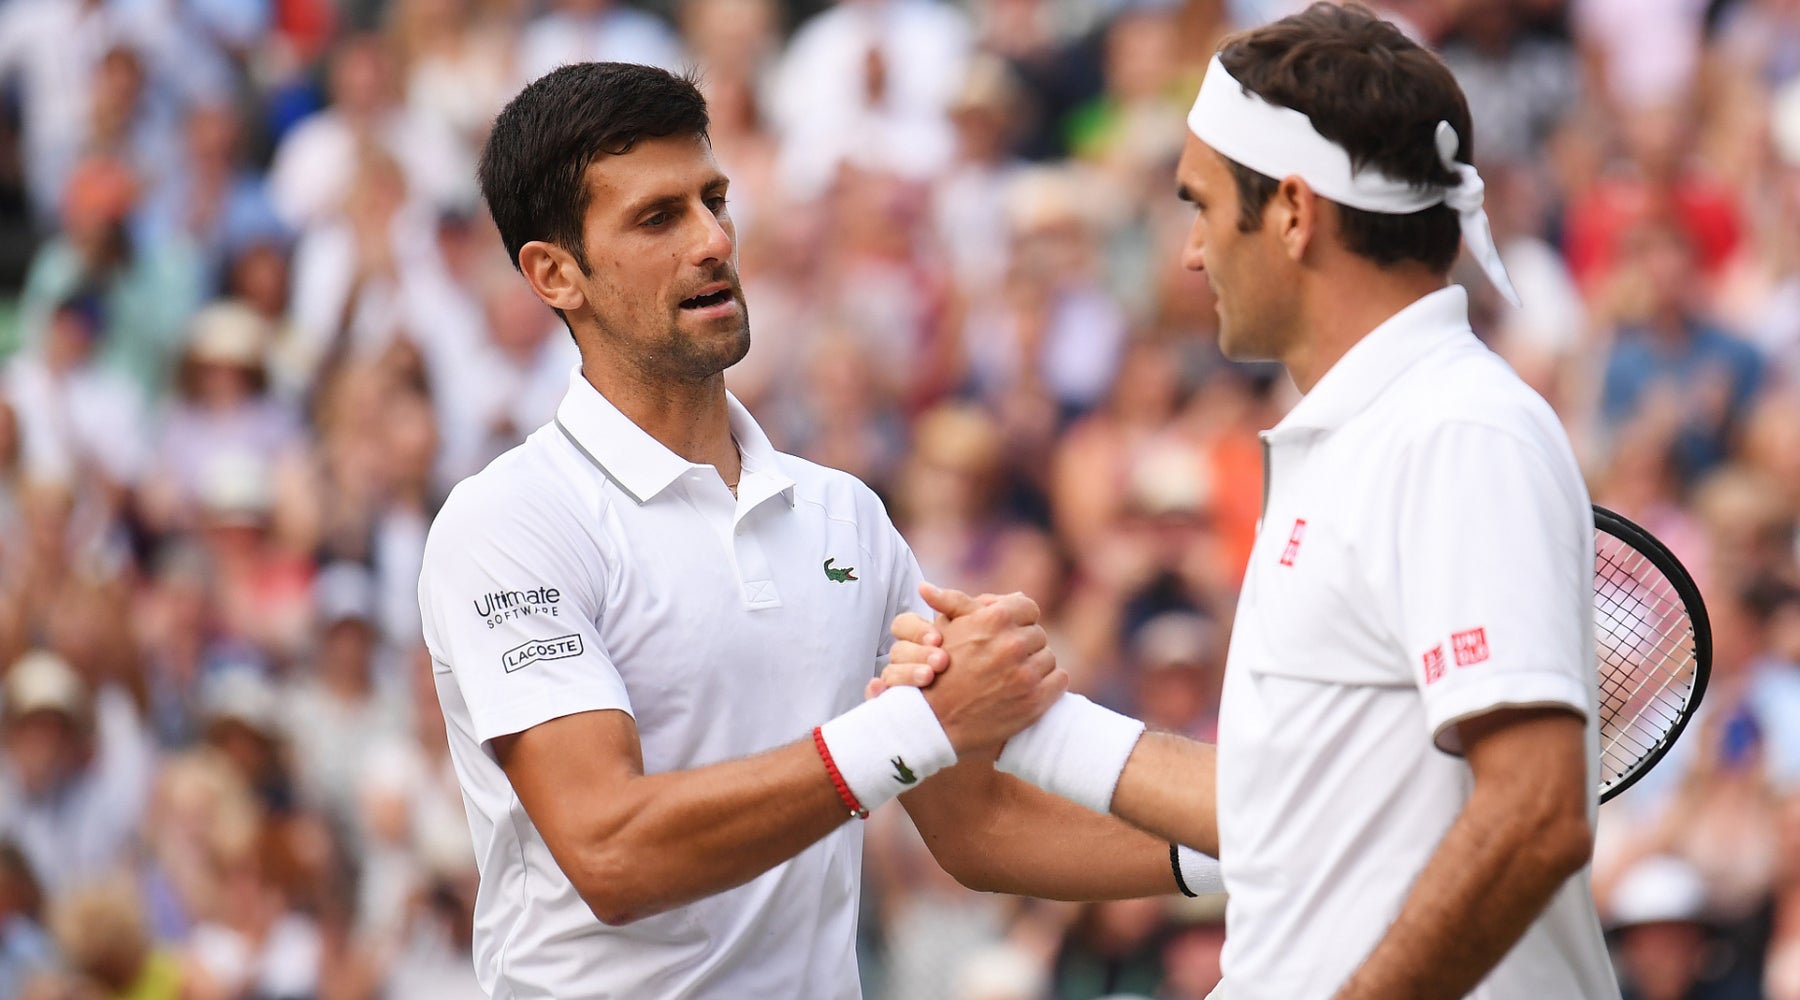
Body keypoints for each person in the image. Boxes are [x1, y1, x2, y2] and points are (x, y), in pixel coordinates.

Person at [884, 5, 1619, 997]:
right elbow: (1281, 811)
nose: (1188, 253)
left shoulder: (1454, 429)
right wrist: (1019, 714)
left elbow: (1534, 815)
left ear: (1290, 213)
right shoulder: (1369, 432)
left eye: (1200, 205)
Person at [416, 62, 1187, 999]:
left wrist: (1263, 859)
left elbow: (979, 827)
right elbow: (611, 852)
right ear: (554, 273)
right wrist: (919, 725)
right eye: (659, 218)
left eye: (714, 200)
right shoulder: (509, 519)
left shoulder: (844, 515)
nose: (712, 241)